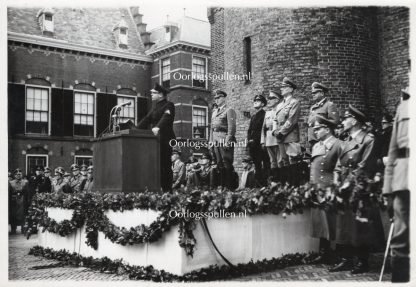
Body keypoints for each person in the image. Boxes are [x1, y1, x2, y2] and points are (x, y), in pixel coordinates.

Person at [331, 105, 379, 274]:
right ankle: (346, 259)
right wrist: (337, 178)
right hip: (344, 186)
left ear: (354, 121)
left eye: (345, 118)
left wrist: (347, 183)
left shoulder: (368, 139)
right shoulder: (347, 139)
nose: (343, 121)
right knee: (344, 224)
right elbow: (339, 163)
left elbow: (364, 166)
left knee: (359, 224)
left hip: (358, 187)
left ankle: (362, 261)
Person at [382, 87, 410, 282]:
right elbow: (392, 151)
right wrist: (388, 189)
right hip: (403, 180)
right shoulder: (404, 107)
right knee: (400, 240)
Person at [309, 115, 343, 264]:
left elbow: (339, 169)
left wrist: (334, 189)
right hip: (317, 189)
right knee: (321, 223)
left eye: (318, 129)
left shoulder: (339, 145)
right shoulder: (317, 145)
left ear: (327, 129)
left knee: (334, 223)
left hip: (330, 189)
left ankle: (339, 255)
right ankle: (324, 252)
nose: (315, 132)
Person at [138, 83, 175, 192]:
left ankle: (168, 191)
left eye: (154, 93)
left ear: (161, 94)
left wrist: (158, 127)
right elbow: (146, 119)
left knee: (165, 166)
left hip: (165, 139)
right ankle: (158, 190)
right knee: (156, 166)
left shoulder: (169, 105)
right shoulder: (155, 107)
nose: (152, 94)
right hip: (155, 140)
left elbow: (166, 117)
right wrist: (135, 129)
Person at [209, 90, 236, 190]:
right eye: (215, 98)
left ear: (224, 98)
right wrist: (210, 141)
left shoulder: (229, 110)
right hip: (215, 139)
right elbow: (212, 128)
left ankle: (229, 186)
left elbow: (231, 127)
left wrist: (228, 141)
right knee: (219, 163)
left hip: (224, 138)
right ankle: (222, 186)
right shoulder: (214, 112)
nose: (217, 100)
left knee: (226, 163)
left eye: (219, 98)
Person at [273, 77, 302, 166]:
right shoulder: (279, 105)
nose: (281, 89)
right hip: (279, 135)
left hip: (290, 134)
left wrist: (281, 132)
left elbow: (291, 120)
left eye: (284, 87)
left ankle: (294, 180)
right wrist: (274, 131)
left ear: (290, 89)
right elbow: (275, 119)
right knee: (284, 160)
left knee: (293, 160)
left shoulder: (294, 102)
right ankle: (288, 180)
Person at [261, 90, 284, 181]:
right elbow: (263, 128)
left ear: (277, 100)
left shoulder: (280, 111)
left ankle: (282, 181)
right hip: (269, 139)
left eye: (271, 98)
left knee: (280, 161)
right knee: (272, 162)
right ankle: (275, 181)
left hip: (278, 138)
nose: (268, 100)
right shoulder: (268, 112)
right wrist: (263, 141)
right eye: (268, 99)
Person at [307, 82, 339, 147]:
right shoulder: (313, 107)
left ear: (322, 93)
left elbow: (334, 122)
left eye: (315, 93)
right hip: (312, 139)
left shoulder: (329, 105)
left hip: (323, 139)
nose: (313, 94)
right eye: (312, 93)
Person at [247, 94, 269, 186]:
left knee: (263, 164)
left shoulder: (264, 115)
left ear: (263, 104)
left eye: (258, 101)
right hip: (252, 145)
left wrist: (255, 140)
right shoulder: (253, 116)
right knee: (256, 165)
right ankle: (258, 185)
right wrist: (249, 140)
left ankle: (264, 184)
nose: (255, 102)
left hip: (260, 144)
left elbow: (262, 130)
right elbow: (249, 130)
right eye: (254, 101)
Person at [9, 168, 30, 234]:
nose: (18, 175)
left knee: (23, 214)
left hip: (22, 200)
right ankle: (13, 229)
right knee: (13, 215)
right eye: (17, 174)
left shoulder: (25, 182)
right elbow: (9, 193)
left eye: (20, 174)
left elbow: (27, 192)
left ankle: (23, 228)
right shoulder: (11, 182)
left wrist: (27, 201)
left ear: (21, 175)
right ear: (14, 175)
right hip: (13, 201)